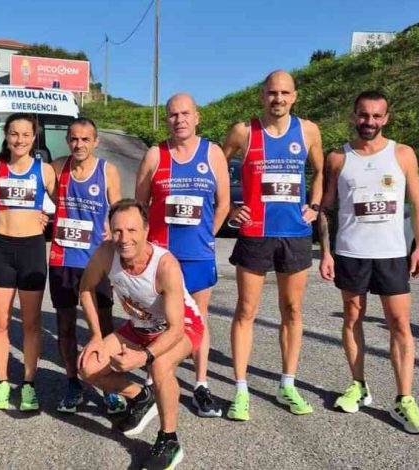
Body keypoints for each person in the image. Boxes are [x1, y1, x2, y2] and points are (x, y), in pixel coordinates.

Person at [318, 91, 419, 434]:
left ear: (386, 118)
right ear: (354, 116)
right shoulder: (338, 157)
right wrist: (325, 252)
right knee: (352, 317)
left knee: (399, 324)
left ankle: (404, 399)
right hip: (351, 253)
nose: (370, 122)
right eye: (364, 115)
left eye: (376, 116)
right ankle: (358, 385)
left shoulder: (402, 154)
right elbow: (325, 207)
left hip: (392, 254)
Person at [221, 70, 324, 420]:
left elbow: (321, 171)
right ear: (261, 95)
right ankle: (240, 389)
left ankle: (287, 384)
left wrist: (317, 206)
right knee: (245, 310)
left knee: (292, 310)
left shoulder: (308, 130)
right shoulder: (243, 131)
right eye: (271, 92)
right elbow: (216, 167)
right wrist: (230, 207)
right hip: (255, 233)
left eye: (284, 93)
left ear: (294, 96)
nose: (278, 98)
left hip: (294, 234)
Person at [79, 199, 203, 470]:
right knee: (88, 366)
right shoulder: (105, 253)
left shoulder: (165, 265)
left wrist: (143, 357)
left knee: (159, 366)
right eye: (118, 231)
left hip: (182, 326)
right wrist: (97, 336)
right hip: (139, 327)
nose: (124, 239)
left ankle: (169, 440)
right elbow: (85, 289)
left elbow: (176, 328)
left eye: (132, 230)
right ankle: (140, 397)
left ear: (146, 230)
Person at [135, 93, 230, 417]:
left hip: (198, 256)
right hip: (162, 257)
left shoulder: (213, 153)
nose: (180, 120)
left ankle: (201, 385)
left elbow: (224, 204)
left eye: (185, 113)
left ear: (197, 116)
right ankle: (153, 381)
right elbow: (139, 211)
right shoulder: (154, 155)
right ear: (167, 119)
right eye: (173, 115)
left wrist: (207, 238)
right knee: (159, 319)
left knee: (198, 322)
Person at [48, 117, 126, 415]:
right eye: (73, 139)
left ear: (96, 141)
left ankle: (108, 385)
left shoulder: (108, 171)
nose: (78, 145)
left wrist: (112, 227)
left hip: (96, 263)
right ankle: (72, 384)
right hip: (63, 260)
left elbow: (118, 210)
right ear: (67, 141)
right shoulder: (57, 167)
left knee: (104, 328)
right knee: (65, 327)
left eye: (84, 139)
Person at [0, 113, 57, 411]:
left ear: (34, 137)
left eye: (26, 135)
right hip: (0, 248)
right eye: (14, 134)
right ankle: (2, 383)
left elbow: (66, 207)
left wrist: (49, 219)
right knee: (0, 323)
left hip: (31, 250)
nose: (19, 140)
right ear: (6, 135)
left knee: (31, 323)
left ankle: (28, 384)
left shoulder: (45, 170)